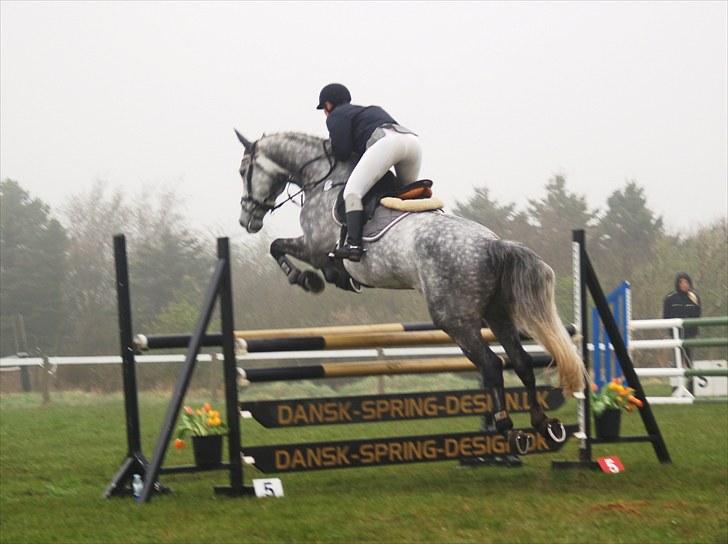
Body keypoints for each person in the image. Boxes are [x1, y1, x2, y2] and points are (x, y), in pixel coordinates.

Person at [317, 83, 422, 261]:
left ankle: (354, 245)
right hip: (412, 142)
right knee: (405, 195)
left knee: (352, 193)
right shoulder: (369, 110)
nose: (325, 112)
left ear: (328, 105)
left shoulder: (336, 115)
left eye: (324, 108)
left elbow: (342, 151)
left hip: (387, 144)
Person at [663, 272, 702, 363]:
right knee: (677, 360)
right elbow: (666, 316)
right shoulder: (670, 298)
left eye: (686, 282)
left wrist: (693, 331)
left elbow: (698, 315)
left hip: (690, 335)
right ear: (677, 283)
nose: (684, 285)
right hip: (676, 334)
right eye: (681, 282)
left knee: (689, 361)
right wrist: (671, 331)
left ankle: (690, 376)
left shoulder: (694, 298)